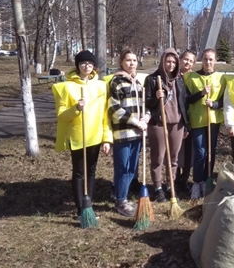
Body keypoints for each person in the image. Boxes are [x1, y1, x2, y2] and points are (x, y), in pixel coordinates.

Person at [52, 50, 112, 217]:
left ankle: (88, 204)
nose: (87, 66)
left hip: (95, 135)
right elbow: (62, 115)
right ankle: (80, 209)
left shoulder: (101, 86)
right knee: (79, 172)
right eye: (83, 63)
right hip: (78, 136)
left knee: (91, 171)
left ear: (94, 66)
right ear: (78, 65)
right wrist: (76, 108)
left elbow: (105, 114)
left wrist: (107, 139)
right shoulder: (66, 87)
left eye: (90, 63)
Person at [144, 48, 190, 203]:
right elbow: (147, 103)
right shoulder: (152, 79)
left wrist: (186, 125)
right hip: (158, 123)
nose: (170, 65)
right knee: (158, 157)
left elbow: (184, 102)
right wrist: (156, 98)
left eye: (173, 62)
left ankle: (170, 184)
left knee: (174, 158)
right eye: (168, 61)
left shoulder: (179, 80)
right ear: (162, 61)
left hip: (177, 124)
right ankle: (157, 187)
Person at [108, 48, 149, 216]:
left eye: (134, 60)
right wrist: (135, 121)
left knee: (132, 168)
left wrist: (146, 117)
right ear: (121, 63)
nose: (132, 63)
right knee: (123, 167)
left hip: (138, 133)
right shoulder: (116, 82)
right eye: (128, 60)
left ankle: (119, 194)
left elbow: (145, 105)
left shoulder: (138, 83)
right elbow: (114, 109)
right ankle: (120, 201)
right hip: (124, 133)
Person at [184, 48, 226, 199]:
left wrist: (214, 104)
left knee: (210, 151)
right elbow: (186, 99)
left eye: (211, 59)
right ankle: (197, 182)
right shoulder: (191, 78)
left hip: (213, 120)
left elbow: (224, 100)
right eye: (205, 59)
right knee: (200, 151)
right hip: (197, 119)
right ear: (201, 60)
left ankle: (208, 180)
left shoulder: (221, 78)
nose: (208, 62)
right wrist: (200, 94)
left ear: (215, 61)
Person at [175, 50, 196, 191]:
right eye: (185, 59)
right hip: (176, 117)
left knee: (189, 150)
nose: (187, 62)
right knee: (175, 150)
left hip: (190, 118)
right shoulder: (173, 76)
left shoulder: (193, 78)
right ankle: (174, 179)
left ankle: (184, 179)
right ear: (180, 59)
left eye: (191, 61)